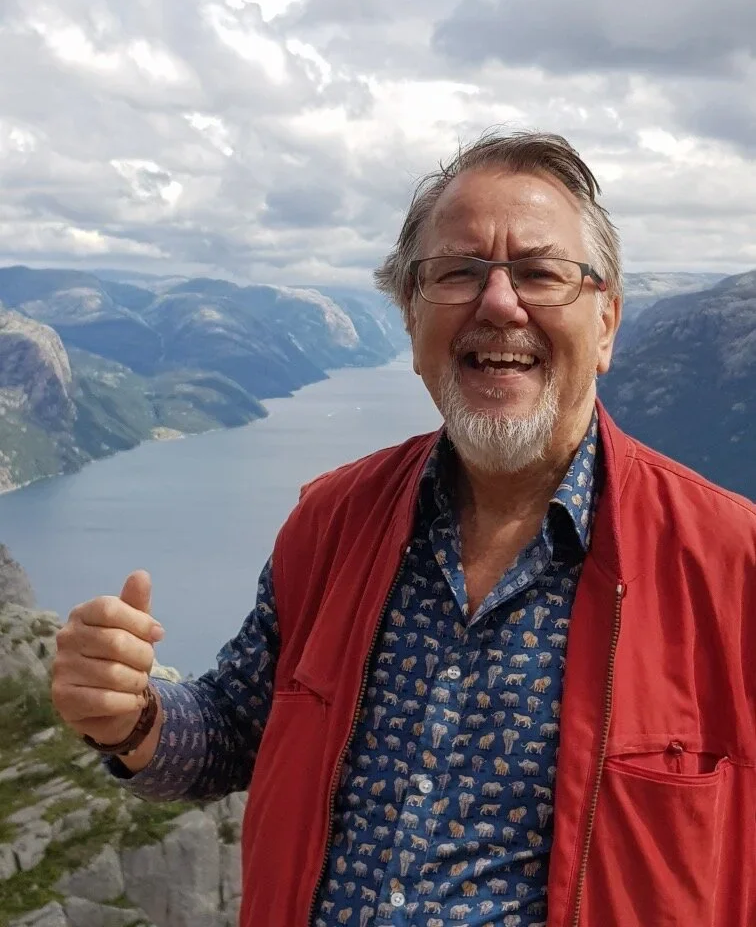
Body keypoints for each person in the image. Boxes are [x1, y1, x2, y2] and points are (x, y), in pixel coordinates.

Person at [52, 130, 756, 927]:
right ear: (412, 318)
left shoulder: (733, 569)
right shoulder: (331, 524)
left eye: (540, 273)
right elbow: (235, 729)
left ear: (606, 325)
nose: (498, 303)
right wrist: (133, 716)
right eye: (456, 273)